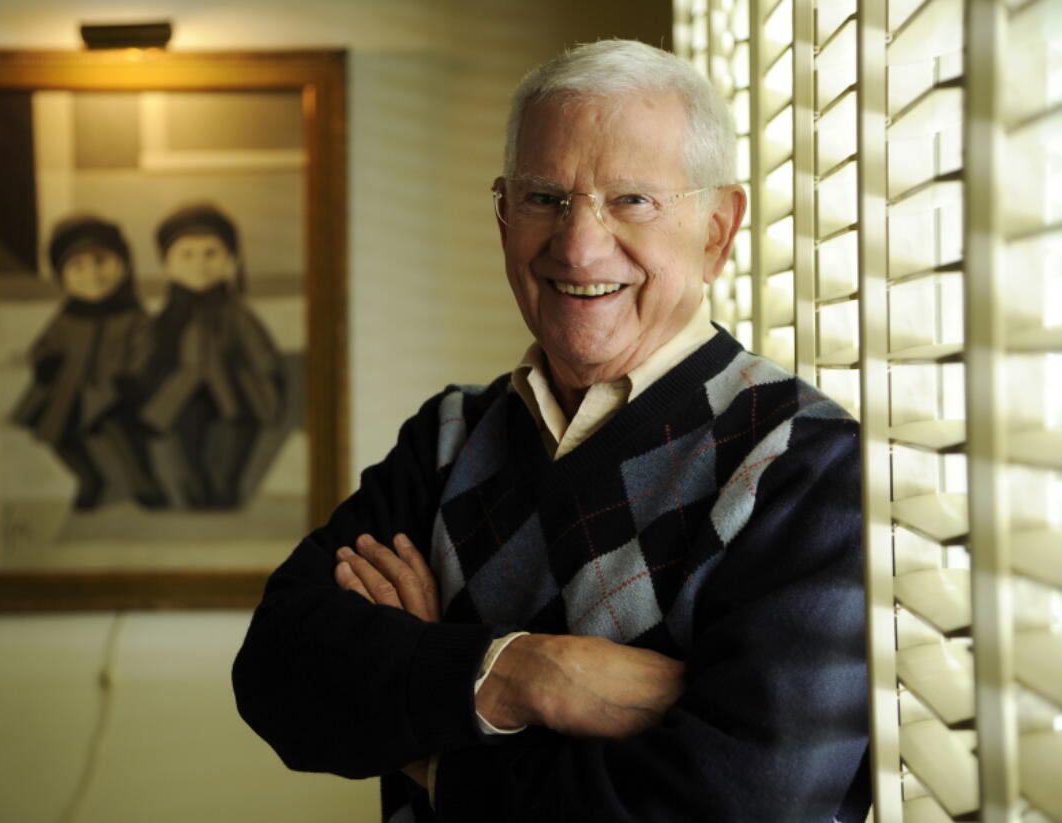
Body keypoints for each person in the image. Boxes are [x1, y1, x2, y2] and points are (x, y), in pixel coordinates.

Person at [233, 39, 869, 822]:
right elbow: (276, 672)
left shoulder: (806, 464)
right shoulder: (447, 438)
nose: (578, 245)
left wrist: (430, 733)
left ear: (717, 229)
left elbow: (742, 802)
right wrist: (525, 672)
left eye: (631, 199)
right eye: (545, 198)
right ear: (503, 215)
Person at [11, 215, 166, 510]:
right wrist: (45, 362)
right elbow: (44, 346)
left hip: (115, 393)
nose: (92, 274)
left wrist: (134, 377)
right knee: (59, 436)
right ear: (63, 278)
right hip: (69, 392)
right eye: (77, 267)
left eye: (101, 262)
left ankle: (144, 483)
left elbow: (148, 348)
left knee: (125, 438)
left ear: (123, 266)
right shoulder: (67, 317)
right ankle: (89, 477)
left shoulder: (132, 316)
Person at [141, 203, 291, 510]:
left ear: (230, 261)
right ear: (167, 264)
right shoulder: (168, 316)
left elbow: (260, 350)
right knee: (185, 438)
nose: (200, 264)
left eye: (211, 254)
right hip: (183, 394)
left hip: (235, 390)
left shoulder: (237, 314)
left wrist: (268, 378)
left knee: (235, 438)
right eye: (187, 254)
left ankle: (227, 485)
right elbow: (149, 352)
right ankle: (196, 488)